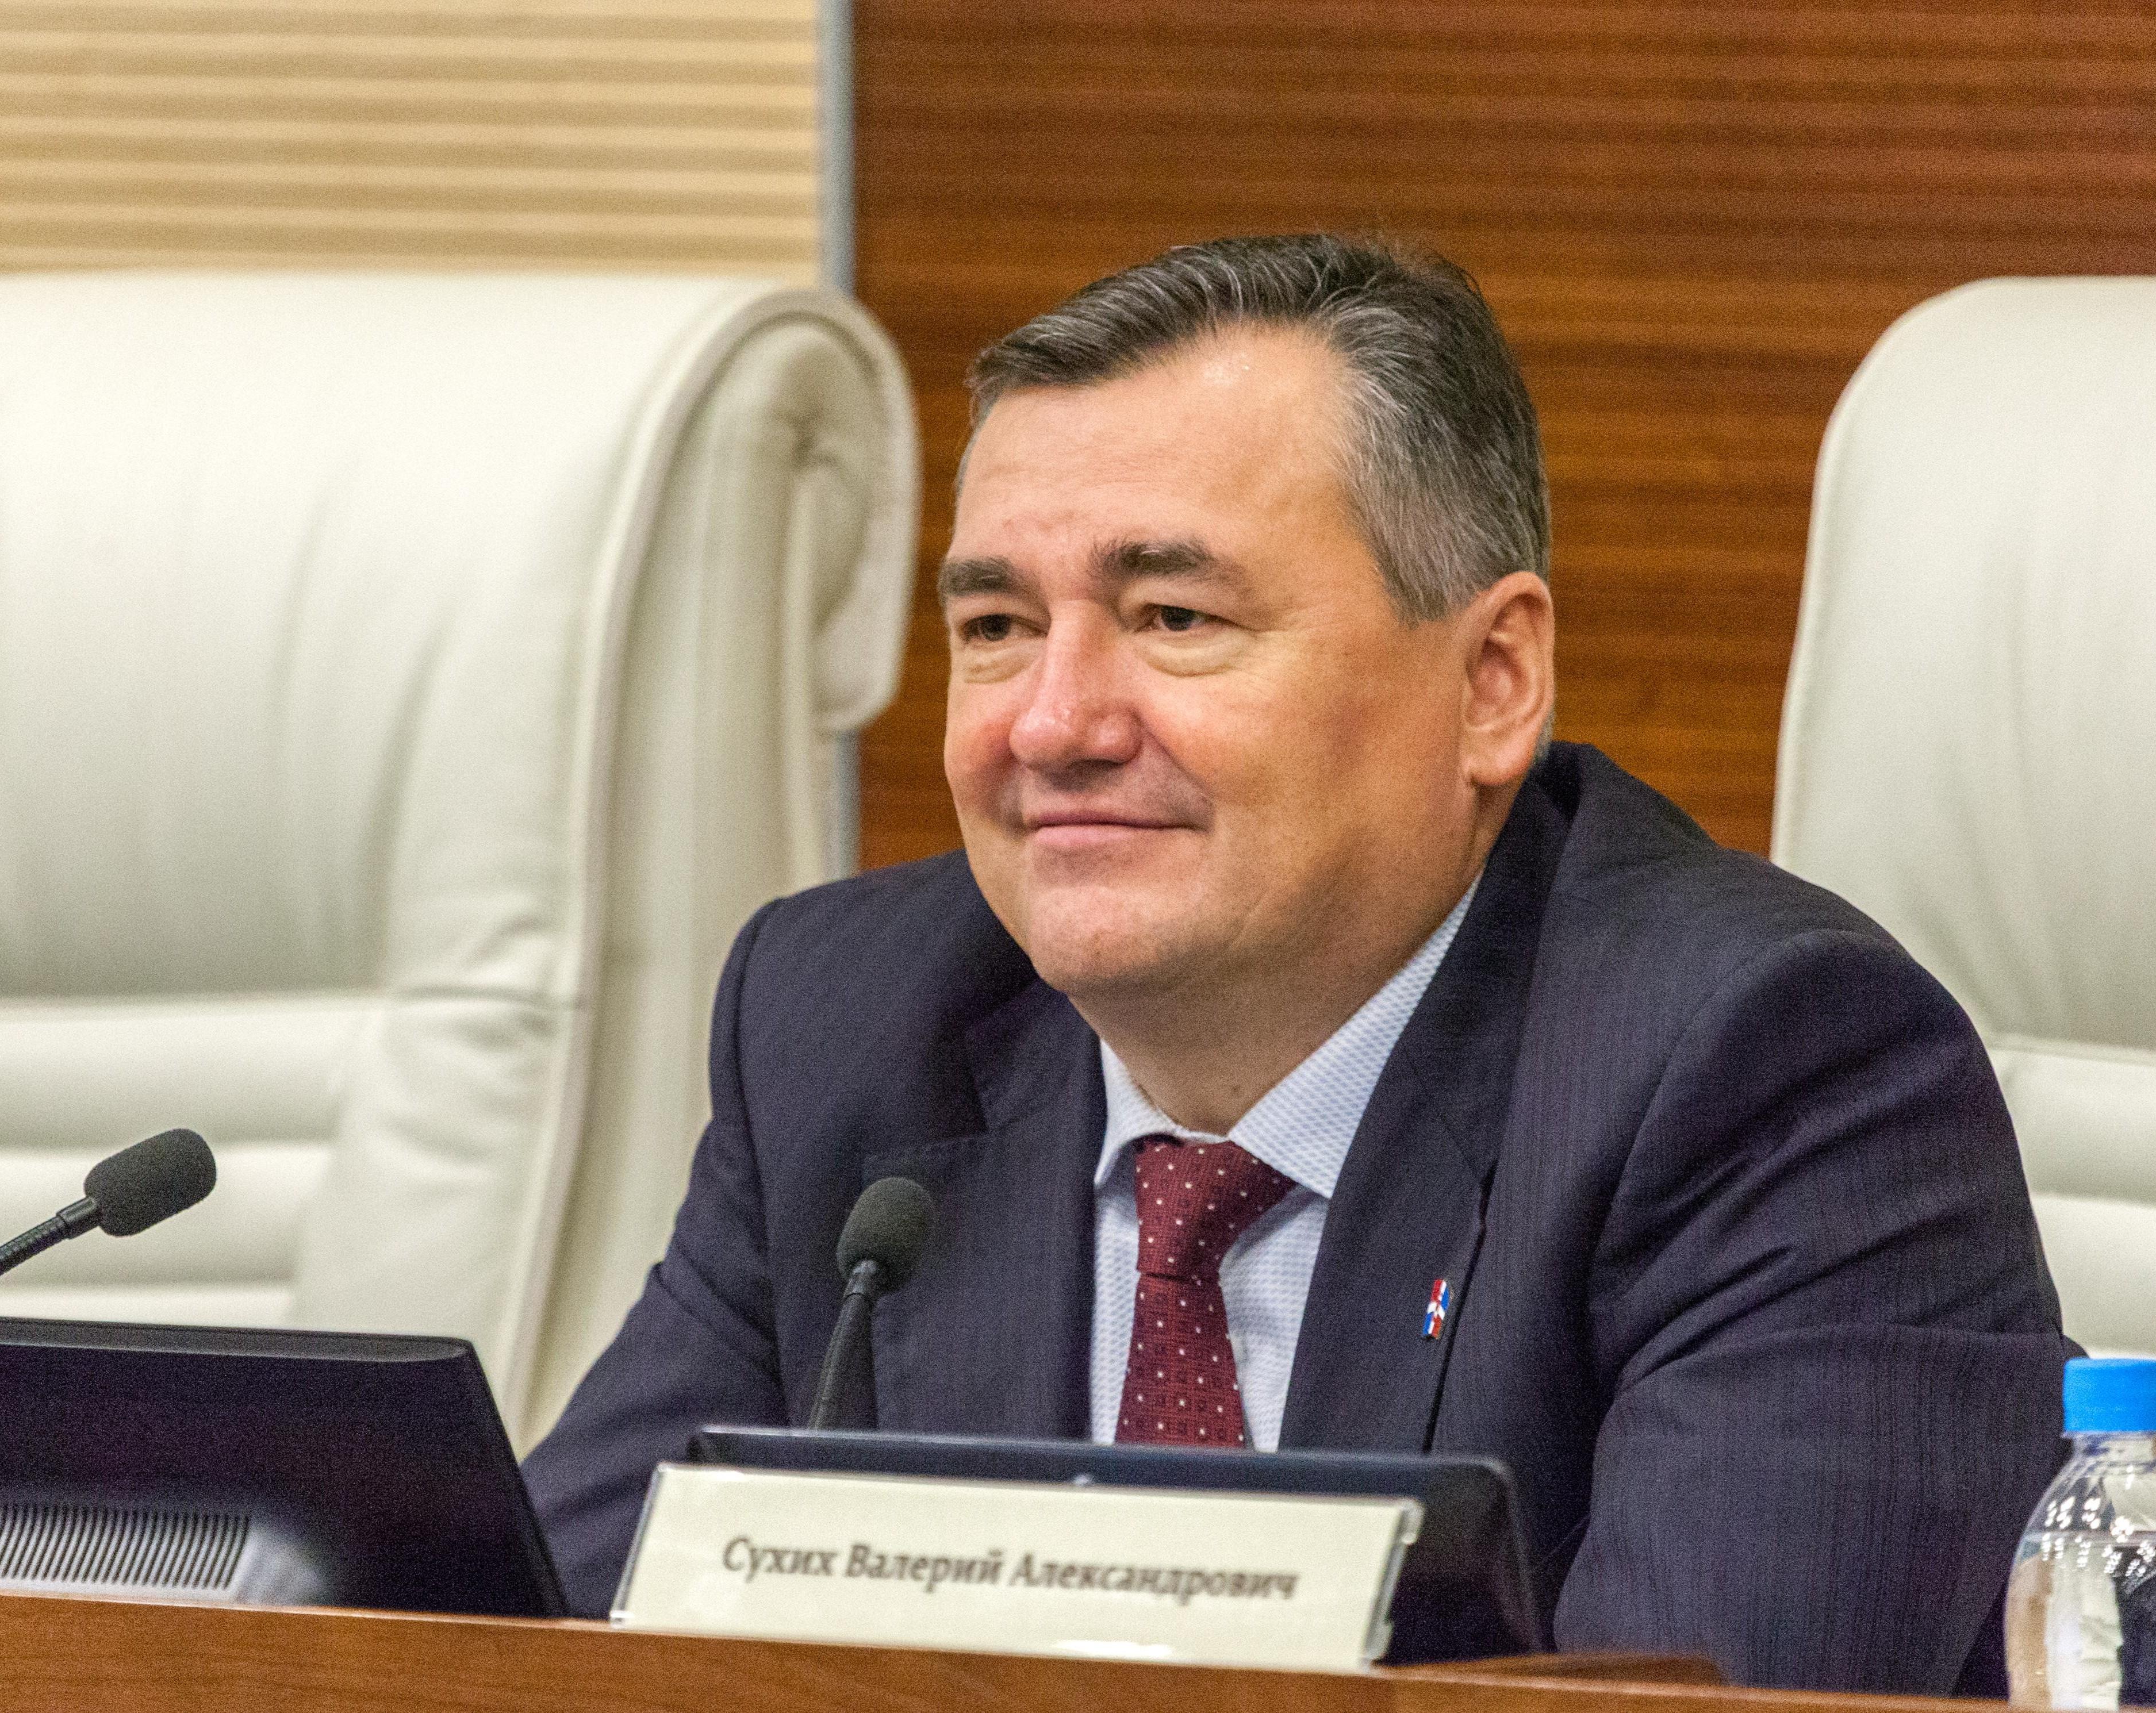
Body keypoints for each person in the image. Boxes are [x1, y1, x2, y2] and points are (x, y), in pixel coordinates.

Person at [523, 233, 2075, 1692]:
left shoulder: (1774, 1076)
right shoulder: (844, 1024)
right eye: (995, 626)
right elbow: (506, 1657)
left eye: (1174, 615)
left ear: (1492, 681)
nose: (1052, 721)